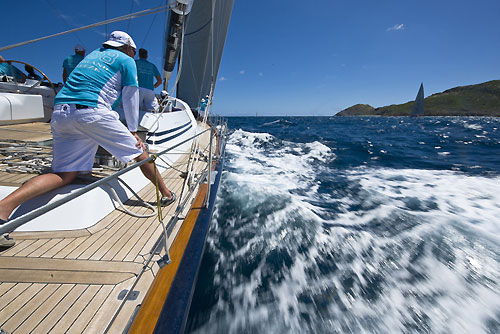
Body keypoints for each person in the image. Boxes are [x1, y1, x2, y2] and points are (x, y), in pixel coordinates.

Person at [0, 31, 176, 248]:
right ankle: (167, 194)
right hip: (92, 112)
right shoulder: (126, 60)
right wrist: (132, 130)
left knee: (64, 174)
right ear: (129, 48)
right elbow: (131, 96)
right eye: (132, 50)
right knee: (140, 152)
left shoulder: (91, 56)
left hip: (61, 113)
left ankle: (4, 208)